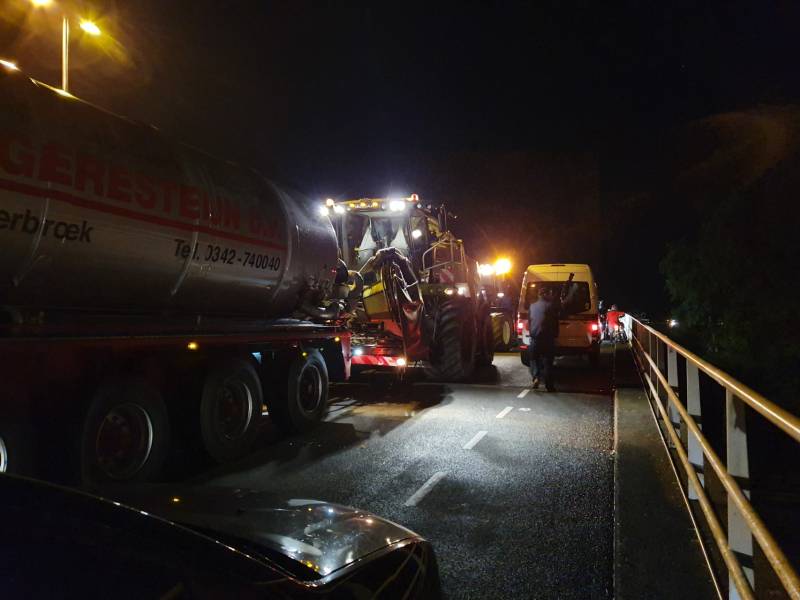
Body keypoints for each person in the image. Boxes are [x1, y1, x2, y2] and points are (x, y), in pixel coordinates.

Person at [528, 278, 580, 392]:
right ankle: (549, 386)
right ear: (546, 294)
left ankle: (536, 377)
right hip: (548, 339)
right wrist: (573, 290)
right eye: (550, 293)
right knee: (548, 362)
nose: (551, 295)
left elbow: (530, 322)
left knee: (533, 359)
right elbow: (565, 303)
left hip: (535, 339)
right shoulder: (551, 306)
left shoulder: (532, 306)